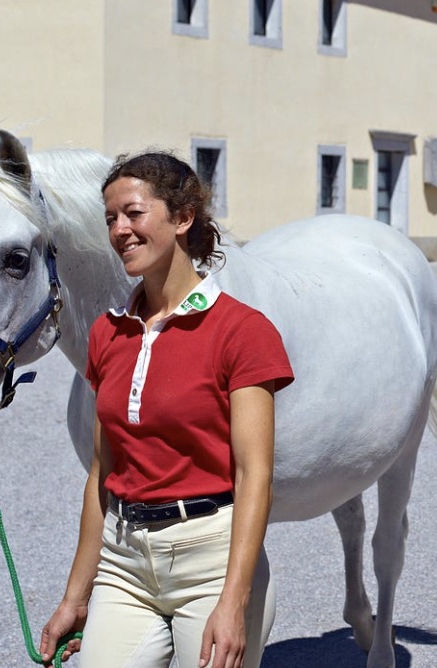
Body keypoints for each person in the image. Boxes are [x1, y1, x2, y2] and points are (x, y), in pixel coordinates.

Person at [40, 151, 294, 668]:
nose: (120, 230)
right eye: (111, 219)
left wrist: (234, 601)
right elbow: (101, 474)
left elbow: (255, 475)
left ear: (182, 218)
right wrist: (75, 596)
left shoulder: (242, 331)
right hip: (125, 563)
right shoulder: (107, 334)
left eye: (133, 213)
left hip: (212, 561)